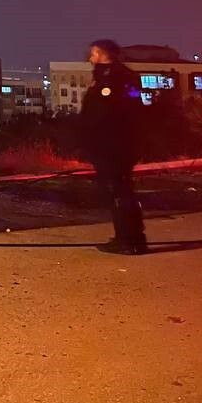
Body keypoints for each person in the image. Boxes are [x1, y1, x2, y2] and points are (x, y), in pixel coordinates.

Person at [79, 39, 147, 254]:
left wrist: (91, 138)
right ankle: (132, 237)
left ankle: (127, 240)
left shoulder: (110, 78)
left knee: (118, 191)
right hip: (121, 144)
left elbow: (103, 114)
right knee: (123, 189)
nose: (90, 58)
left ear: (101, 53)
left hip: (111, 145)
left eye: (93, 54)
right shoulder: (124, 75)